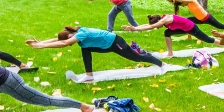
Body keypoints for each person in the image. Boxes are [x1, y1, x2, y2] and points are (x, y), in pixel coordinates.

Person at [26, 26, 167, 81]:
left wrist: (41, 47)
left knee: (136, 57)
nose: (71, 42)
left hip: (115, 42)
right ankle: (89, 75)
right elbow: (59, 40)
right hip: (105, 45)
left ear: (70, 36)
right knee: (85, 48)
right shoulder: (75, 33)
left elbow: (64, 43)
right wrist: (42, 43)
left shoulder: (81, 33)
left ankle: (161, 64)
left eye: (70, 40)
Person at [123, 14, 223, 59]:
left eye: (157, 25)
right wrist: (135, 27)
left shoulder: (164, 20)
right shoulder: (162, 19)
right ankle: (170, 53)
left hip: (191, 28)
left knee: (207, 39)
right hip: (183, 28)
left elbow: (152, 26)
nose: (157, 27)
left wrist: (135, 29)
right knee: (167, 32)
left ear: (159, 21)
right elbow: (149, 25)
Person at [158, 0, 224, 29]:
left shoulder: (192, 0)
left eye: (182, 5)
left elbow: (182, 0)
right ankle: (189, 35)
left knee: (221, 26)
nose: (183, 6)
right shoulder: (187, 4)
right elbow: (176, 2)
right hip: (199, 19)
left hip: (207, 18)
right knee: (188, 22)